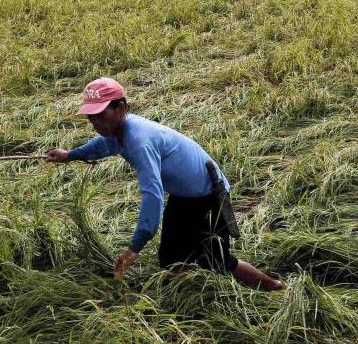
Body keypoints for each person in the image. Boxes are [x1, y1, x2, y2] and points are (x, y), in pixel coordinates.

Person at [46, 77, 286, 291]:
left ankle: (274, 287)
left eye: (101, 115)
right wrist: (70, 155)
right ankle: (191, 294)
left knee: (217, 260)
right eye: (91, 117)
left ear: (121, 107)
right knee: (171, 259)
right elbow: (102, 145)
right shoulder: (118, 131)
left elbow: (152, 196)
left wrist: (134, 248)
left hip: (208, 194)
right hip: (184, 196)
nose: (96, 123)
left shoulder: (139, 141)